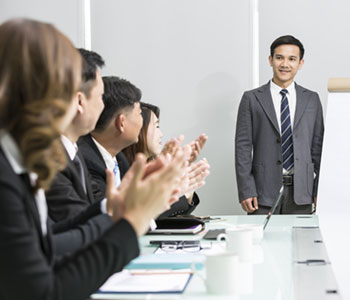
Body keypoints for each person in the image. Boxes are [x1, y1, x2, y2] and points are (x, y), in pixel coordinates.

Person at [0, 18, 188, 300]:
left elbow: (45, 246)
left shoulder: (17, 159)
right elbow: (43, 291)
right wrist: (131, 222)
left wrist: (119, 208)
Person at [235, 35, 324, 215]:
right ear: (270, 60)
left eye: (292, 59)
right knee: (262, 243)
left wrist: (318, 190)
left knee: (301, 243)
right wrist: (246, 189)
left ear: (300, 63)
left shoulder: (311, 99)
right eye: (279, 57)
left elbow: (318, 148)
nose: (285, 64)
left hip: (302, 193)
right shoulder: (251, 99)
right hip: (262, 193)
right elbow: (242, 148)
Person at [123, 102, 210, 218]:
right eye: (156, 126)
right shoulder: (122, 167)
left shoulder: (149, 165)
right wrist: (182, 193)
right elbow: (149, 215)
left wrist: (187, 189)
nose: (161, 134)